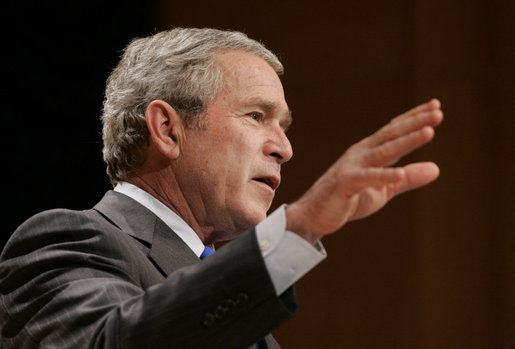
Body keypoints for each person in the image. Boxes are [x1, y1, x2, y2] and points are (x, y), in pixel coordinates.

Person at [0, 28, 443, 349]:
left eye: (284, 126)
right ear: (168, 129)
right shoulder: (70, 242)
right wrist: (298, 229)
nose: (285, 148)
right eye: (256, 116)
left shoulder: (238, 299)